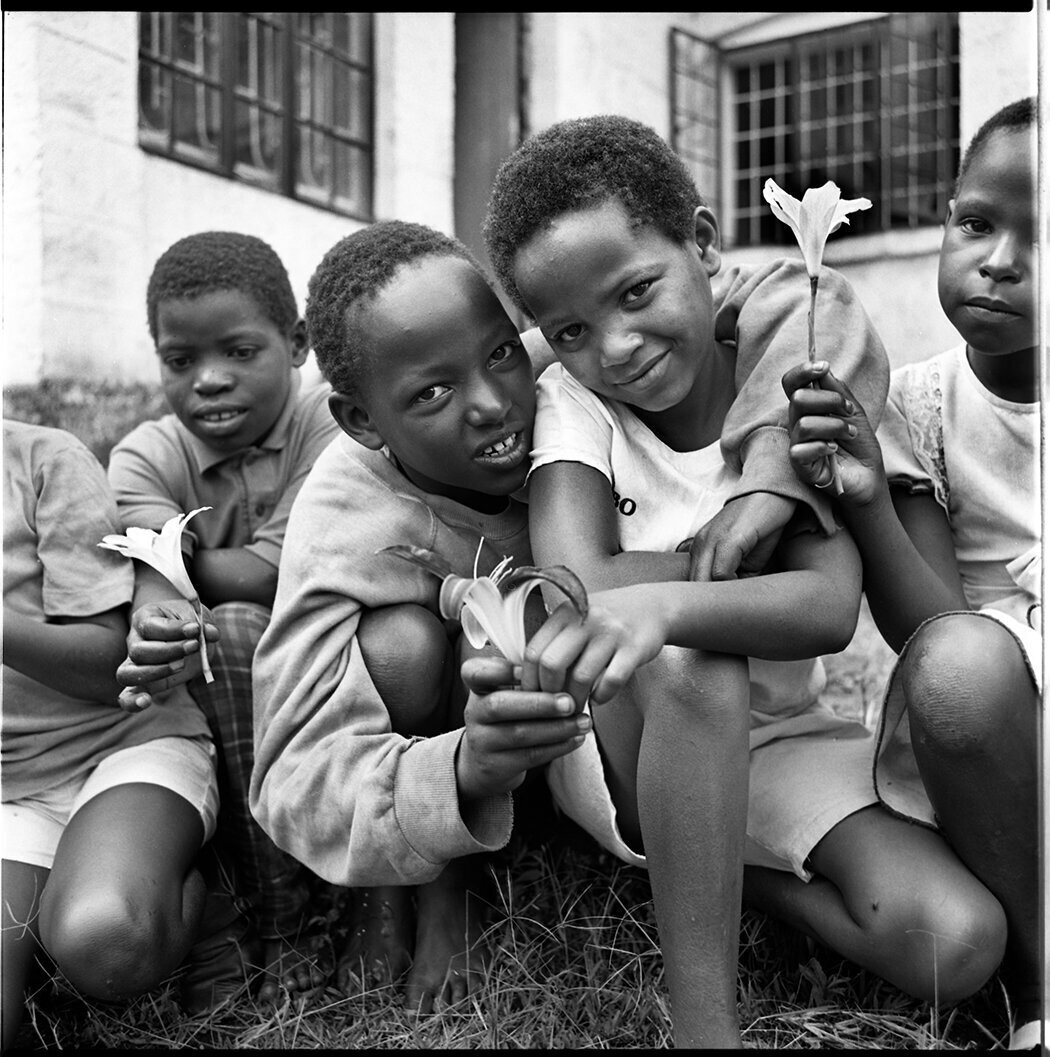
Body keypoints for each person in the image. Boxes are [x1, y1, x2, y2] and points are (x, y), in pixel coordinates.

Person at [482, 114, 1008, 1047]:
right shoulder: (574, 407)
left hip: (782, 734)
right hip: (630, 738)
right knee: (698, 660)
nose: (618, 346)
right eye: (571, 330)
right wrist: (701, 591)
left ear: (702, 241)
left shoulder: (788, 387)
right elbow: (577, 587)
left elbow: (823, 606)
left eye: (637, 290)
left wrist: (661, 584)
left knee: (957, 942)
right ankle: (704, 1029)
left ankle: (725, 869)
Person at [783, 96, 1041, 1051]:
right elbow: (928, 637)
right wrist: (866, 499)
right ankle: (1039, 980)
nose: (1001, 259)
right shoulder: (919, 406)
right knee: (960, 667)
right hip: (984, 739)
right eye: (976, 221)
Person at [107, 231, 339, 1009]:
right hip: (215, 696)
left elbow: (273, 578)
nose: (209, 381)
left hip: (334, 670)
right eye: (181, 361)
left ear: (298, 343)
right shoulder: (145, 454)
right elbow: (150, 580)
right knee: (174, 646)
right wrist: (158, 592)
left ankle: (291, 916)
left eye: (239, 351)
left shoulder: (328, 426)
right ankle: (230, 900)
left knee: (232, 627)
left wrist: (174, 562)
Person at [2, 419, 217, 1050]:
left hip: (123, 745)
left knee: (108, 943)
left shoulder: (43, 461)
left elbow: (109, 671)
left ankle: (208, 893)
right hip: (12, 794)